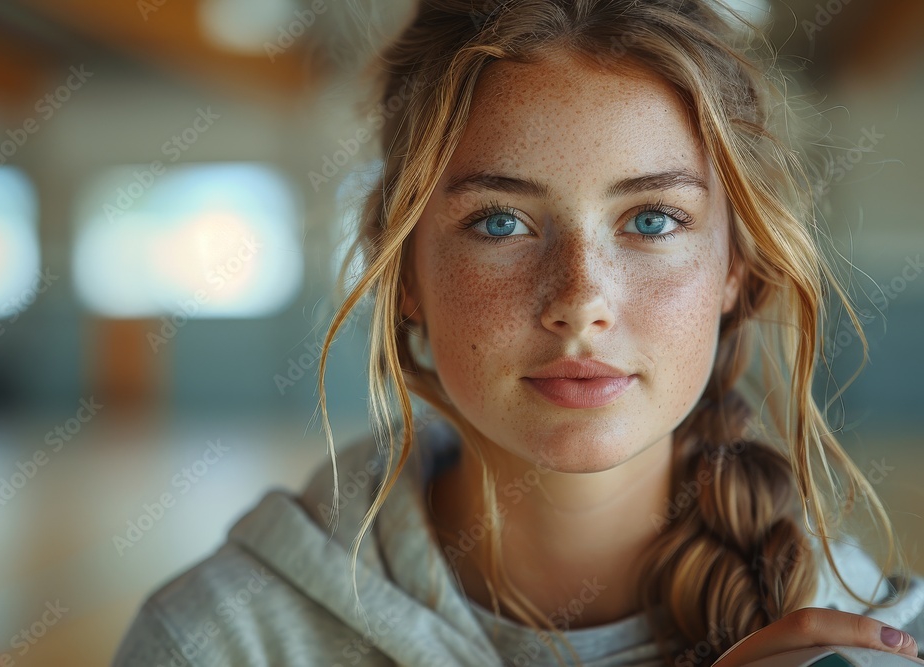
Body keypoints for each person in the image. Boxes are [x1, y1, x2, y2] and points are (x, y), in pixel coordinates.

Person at [111, 1, 924, 665]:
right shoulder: (219, 641)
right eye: (500, 221)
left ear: (735, 267)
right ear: (407, 276)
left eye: (651, 218)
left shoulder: (866, 640)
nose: (580, 300)